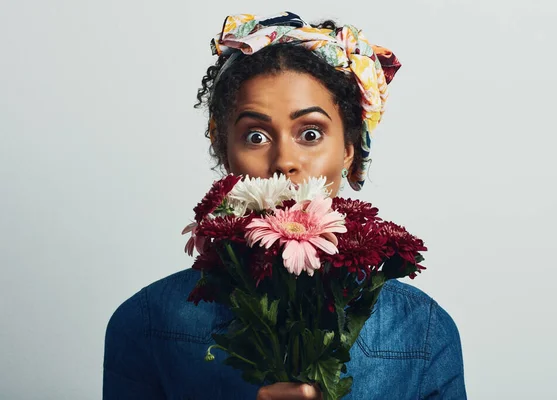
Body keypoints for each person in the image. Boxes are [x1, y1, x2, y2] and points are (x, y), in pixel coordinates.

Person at [103, 11, 467, 399]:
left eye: (310, 133)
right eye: (256, 136)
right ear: (226, 153)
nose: (283, 161)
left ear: (348, 151)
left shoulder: (422, 331)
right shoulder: (147, 323)